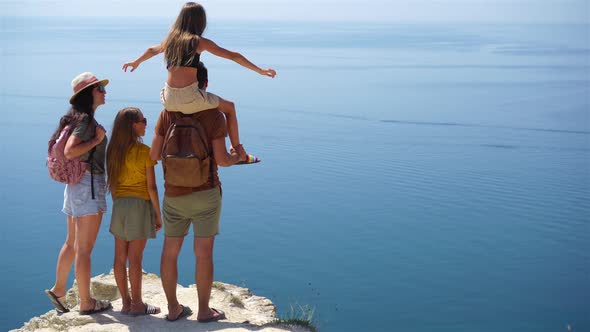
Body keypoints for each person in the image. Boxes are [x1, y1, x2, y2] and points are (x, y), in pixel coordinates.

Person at [122, 1, 275, 164]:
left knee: (180, 107)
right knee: (229, 108)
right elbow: (233, 55)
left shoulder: (170, 41)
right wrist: (259, 70)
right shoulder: (198, 42)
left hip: (168, 99)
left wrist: (136, 62)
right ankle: (238, 151)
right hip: (190, 97)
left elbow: (151, 50)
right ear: (200, 22)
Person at [150, 60, 243, 322]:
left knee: (170, 252)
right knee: (203, 254)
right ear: (204, 86)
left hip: (173, 195)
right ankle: (203, 310)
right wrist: (237, 156)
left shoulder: (166, 114)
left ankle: (173, 308)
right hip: (206, 193)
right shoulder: (213, 114)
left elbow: (154, 154)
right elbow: (223, 160)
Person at [45, 72, 112, 315]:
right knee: (84, 249)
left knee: (71, 243)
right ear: (89, 94)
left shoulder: (74, 119)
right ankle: (86, 302)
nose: (104, 92)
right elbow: (72, 151)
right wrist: (97, 140)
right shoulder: (85, 122)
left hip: (74, 186)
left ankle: (59, 290)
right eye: (100, 89)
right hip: (88, 186)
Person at [106, 107, 163, 316]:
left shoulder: (113, 151)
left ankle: (126, 303)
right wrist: (158, 214)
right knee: (135, 258)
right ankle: (138, 305)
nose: (146, 124)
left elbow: (112, 185)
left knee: (119, 257)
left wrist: (119, 204)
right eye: (143, 120)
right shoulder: (144, 151)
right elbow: (152, 188)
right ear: (133, 125)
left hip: (120, 205)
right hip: (140, 205)